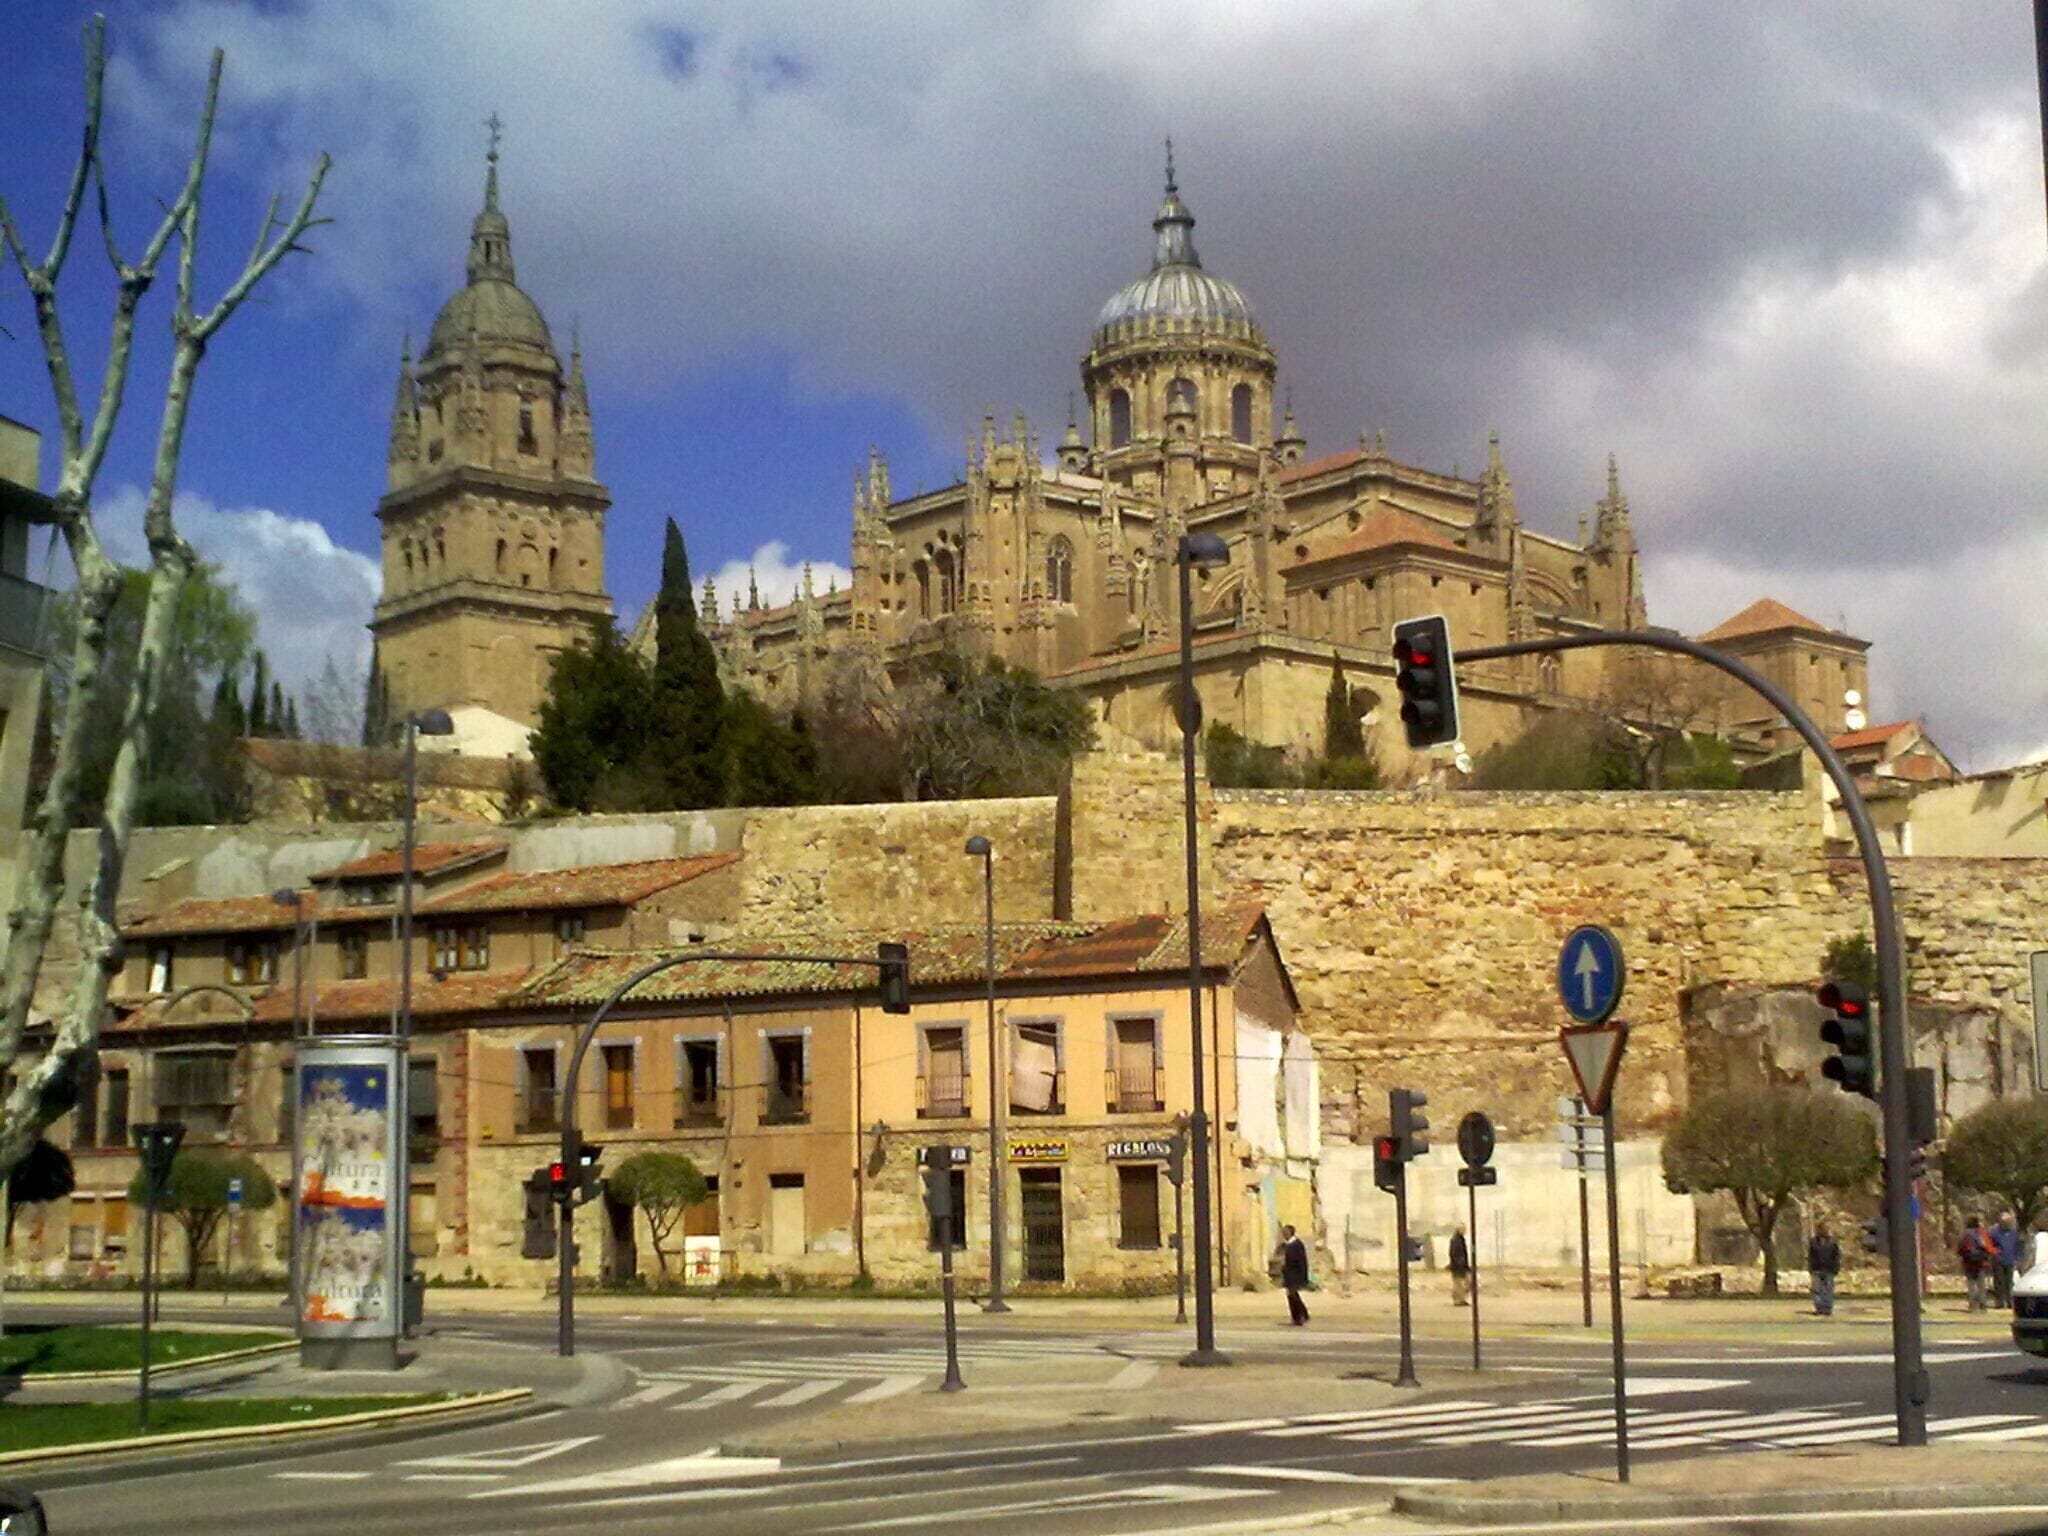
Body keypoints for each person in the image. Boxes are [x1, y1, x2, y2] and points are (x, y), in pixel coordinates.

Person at [1275, 1223, 1311, 1326]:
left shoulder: (1297, 1245)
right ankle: (1301, 1315)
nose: (1284, 1234)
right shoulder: (1287, 1245)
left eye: (1285, 1232)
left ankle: (1299, 1317)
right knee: (1292, 1295)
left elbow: (1302, 1262)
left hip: (1295, 1275)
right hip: (1289, 1275)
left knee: (1293, 1295)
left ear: (1291, 1232)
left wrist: (1302, 1277)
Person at [1960, 1217, 1995, 1311]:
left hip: (1968, 1263)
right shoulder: (1981, 1234)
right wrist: (1990, 1255)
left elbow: (1960, 1248)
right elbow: (1987, 1247)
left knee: (1971, 1284)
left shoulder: (1965, 1235)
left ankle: (1973, 1305)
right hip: (1980, 1262)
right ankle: (1983, 1305)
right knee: (1981, 1285)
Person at [1806, 1224, 1841, 1316]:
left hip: (1829, 1269)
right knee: (1817, 1289)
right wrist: (1810, 1267)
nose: (1823, 1231)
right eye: (1821, 1230)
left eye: (1824, 1229)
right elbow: (1811, 1256)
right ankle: (1819, 1308)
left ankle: (1827, 1308)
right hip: (1817, 1269)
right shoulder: (1813, 1242)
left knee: (1828, 1290)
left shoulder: (1832, 1242)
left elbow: (1836, 1256)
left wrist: (1836, 1268)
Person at [1994, 1211, 2022, 1309]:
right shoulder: (1995, 1232)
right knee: (1999, 1282)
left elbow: (2017, 1247)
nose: (2006, 1223)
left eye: (2008, 1221)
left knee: (2009, 1282)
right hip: (1998, 1261)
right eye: (2004, 1221)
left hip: (2010, 1261)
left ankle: (2010, 1301)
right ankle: (1999, 1302)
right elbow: (1990, 1245)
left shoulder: (2013, 1233)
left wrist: (2017, 1259)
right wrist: (1995, 1253)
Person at [1449, 1225, 1472, 1307]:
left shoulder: (1460, 1239)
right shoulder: (1456, 1240)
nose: (1465, 1231)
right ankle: (1458, 1300)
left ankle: (1461, 1299)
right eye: (1463, 1229)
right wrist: (1459, 1263)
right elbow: (1453, 1254)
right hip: (1458, 1266)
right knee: (1458, 1284)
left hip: (1461, 1265)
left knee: (1463, 1283)